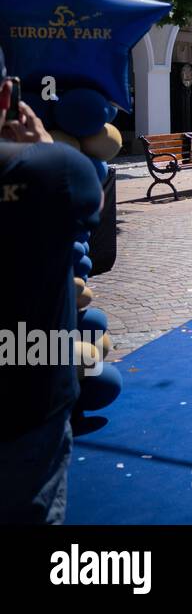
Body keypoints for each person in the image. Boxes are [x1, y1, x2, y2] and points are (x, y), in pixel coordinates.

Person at [0, 48, 103, 523]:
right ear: (7, 94)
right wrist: (43, 143)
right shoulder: (52, 170)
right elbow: (88, 203)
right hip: (24, 401)